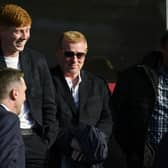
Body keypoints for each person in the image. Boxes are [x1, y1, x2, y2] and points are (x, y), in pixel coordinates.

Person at [0, 3, 58, 168]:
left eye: (28, 30)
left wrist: (46, 141)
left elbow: (50, 104)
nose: (24, 36)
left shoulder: (37, 61)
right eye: (18, 30)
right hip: (3, 138)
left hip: (35, 140)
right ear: (2, 30)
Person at [49, 30, 112, 168]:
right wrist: (72, 144)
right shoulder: (47, 81)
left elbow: (108, 117)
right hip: (59, 156)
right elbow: (46, 119)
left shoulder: (98, 84)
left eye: (80, 55)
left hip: (92, 157)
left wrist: (95, 141)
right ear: (58, 53)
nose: (75, 59)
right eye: (69, 54)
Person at [111, 31, 168, 168]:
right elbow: (113, 117)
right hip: (141, 158)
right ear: (163, 49)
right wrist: (124, 155)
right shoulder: (135, 77)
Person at [0, 68, 26, 168]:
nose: (25, 98)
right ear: (15, 94)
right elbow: (6, 163)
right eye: (24, 92)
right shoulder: (9, 120)